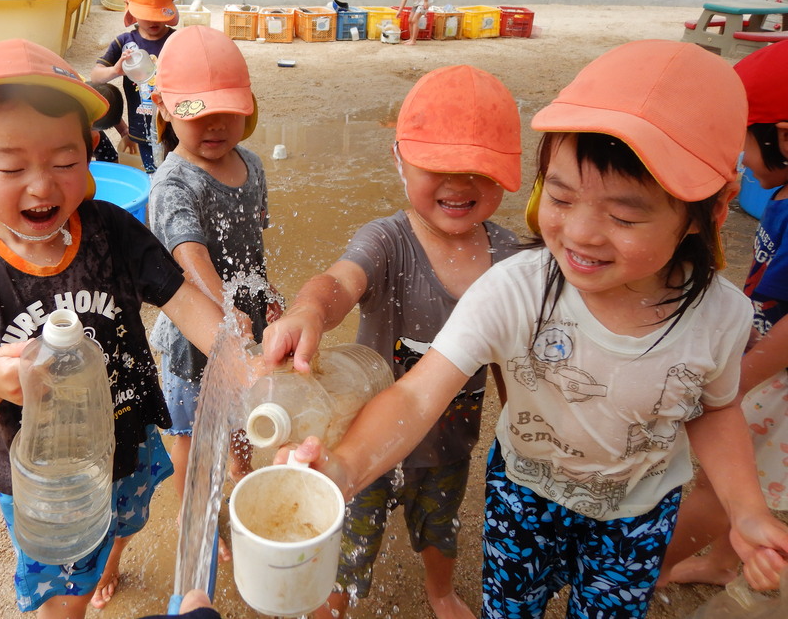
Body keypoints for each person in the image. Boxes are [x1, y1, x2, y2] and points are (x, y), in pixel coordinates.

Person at [282, 41, 788, 618]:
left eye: (623, 216)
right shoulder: (514, 287)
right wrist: (344, 469)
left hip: (638, 515)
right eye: (561, 196)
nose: (581, 233)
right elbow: (418, 393)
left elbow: (716, 408)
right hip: (524, 498)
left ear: (710, 212)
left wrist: (745, 507)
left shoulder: (721, 316)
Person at [0, 38, 233, 619]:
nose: (44, 186)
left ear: (91, 152)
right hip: (52, 488)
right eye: (12, 166)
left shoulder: (113, 233)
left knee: (128, 518)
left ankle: (113, 559)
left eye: (66, 161)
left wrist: (245, 361)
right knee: (63, 602)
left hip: (127, 441)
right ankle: (83, 581)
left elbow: (187, 304)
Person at [263, 65, 522, 619]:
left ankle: (440, 591)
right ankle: (333, 599)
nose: (460, 183)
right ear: (399, 159)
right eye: (437, 166)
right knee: (350, 530)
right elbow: (339, 282)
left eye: (479, 168)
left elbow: (512, 360)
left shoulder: (510, 259)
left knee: (440, 525)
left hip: (449, 443)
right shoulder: (387, 241)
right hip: (366, 436)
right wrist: (310, 308)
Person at [658, 40, 788, 588]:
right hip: (764, 352)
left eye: (743, 139)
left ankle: (649, 571)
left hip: (773, 371)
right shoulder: (781, 193)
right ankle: (718, 563)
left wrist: (735, 386)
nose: (738, 156)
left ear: (781, 136)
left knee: (725, 481)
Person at [147, 25, 280, 550]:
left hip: (245, 322)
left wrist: (264, 297)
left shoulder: (252, 166)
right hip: (193, 335)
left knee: (241, 416)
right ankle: (195, 512)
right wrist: (223, 305)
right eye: (195, 114)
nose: (214, 126)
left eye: (227, 111)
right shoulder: (174, 181)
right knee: (190, 435)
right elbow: (188, 254)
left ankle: (240, 474)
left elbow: (253, 249)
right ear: (163, 108)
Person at [89, 0, 179, 173]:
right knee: (152, 173)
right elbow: (95, 76)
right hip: (141, 127)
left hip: (173, 125)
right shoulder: (124, 42)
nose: (152, 20)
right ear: (128, 5)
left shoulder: (176, 40)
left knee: (175, 171)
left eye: (158, 13)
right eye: (146, 13)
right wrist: (116, 71)